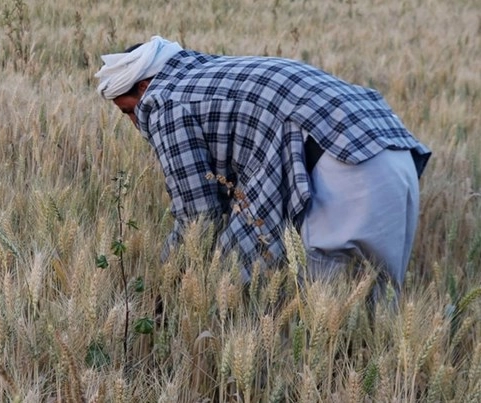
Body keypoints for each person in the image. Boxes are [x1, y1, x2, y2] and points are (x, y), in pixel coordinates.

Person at [95, 36, 431, 297]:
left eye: (127, 111)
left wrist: (166, 282)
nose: (135, 123)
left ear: (143, 86)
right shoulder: (212, 72)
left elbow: (198, 216)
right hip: (393, 152)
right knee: (380, 308)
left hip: (343, 171)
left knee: (320, 309)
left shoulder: (163, 101)